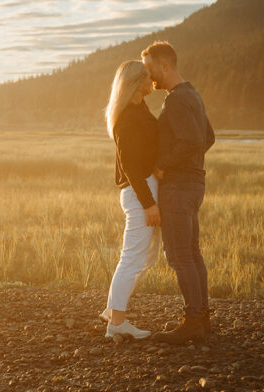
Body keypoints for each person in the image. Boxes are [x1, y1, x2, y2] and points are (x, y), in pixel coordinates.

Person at [141, 41, 215, 344]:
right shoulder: (191, 95)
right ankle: (201, 316)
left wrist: (163, 167)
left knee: (179, 255)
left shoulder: (176, 101)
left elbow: (194, 142)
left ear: (165, 65)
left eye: (149, 69)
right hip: (194, 183)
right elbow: (208, 137)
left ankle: (193, 321)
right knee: (191, 253)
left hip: (179, 186)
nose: (149, 77)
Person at [99, 60, 162, 340]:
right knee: (132, 258)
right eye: (147, 77)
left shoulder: (138, 109)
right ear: (137, 83)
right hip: (140, 193)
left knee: (145, 256)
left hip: (143, 190)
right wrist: (148, 203)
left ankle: (113, 312)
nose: (152, 80)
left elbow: (144, 153)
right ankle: (117, 323)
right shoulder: (127, 117)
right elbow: (131, 167)